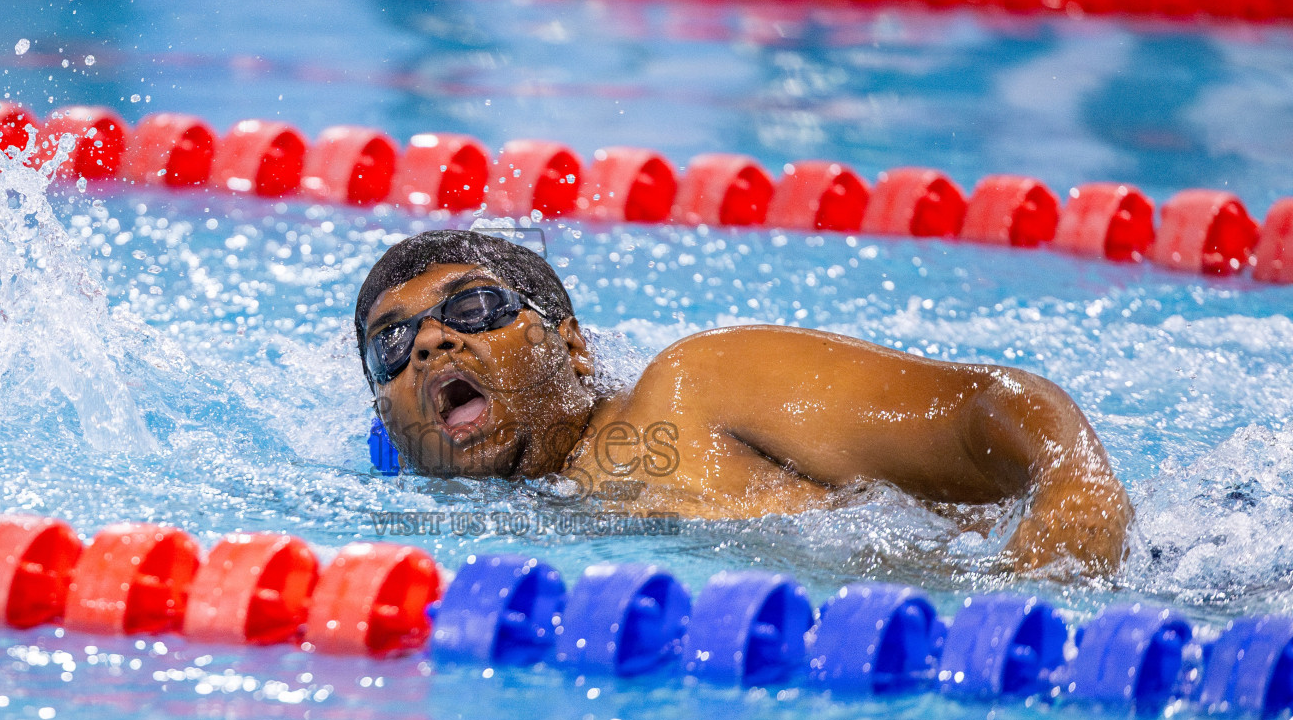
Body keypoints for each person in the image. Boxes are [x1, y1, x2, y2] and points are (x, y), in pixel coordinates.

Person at [355, 229, 1132, 574]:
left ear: (573, 345)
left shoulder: (696, 389)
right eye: (393, 347)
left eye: (473, 310)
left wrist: (1073, 487)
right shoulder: (447, 544)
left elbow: (979, 405)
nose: (429, 345)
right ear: (388, 415)